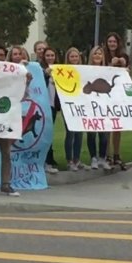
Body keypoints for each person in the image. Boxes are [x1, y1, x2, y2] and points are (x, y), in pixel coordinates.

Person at [0, 45, 29, 197]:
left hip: (7, 117)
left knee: (6, 153)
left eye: (2, 55)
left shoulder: (12, 72)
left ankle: (6, 184)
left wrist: (26, 81)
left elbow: (22, 95)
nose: (0, 58)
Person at [103, 32, 130, 171]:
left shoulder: (123, 56)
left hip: (118, 95)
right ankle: (107, 154)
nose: (112, 44)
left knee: (117, 127)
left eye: (114, 41)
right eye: (110, 41)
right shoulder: (103, 56)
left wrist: (120, 62)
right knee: (107, 126)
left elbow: (126, 68)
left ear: (118, 43)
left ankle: (116, 154)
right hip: (105, 95)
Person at [86, 46, 111, 171]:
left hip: (104, 107)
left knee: (104, 134)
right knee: (91, 134)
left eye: (100, 53)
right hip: (90, 107)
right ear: (91, 56)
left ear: (103, 56)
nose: (97, 56)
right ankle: (93, 158)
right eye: (95, 53)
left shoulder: (108, 70)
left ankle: (102, 158)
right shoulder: (85, 70)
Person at [63, 47, 86, 171]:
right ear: (68, 58)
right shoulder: (63, 71)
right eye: (72, 56)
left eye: (76, 56)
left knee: (79, 134)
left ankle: (77, 159)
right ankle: (69, 160)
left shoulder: (84, 71)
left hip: (81, 106)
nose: (74, 59)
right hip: (68, 106)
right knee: (70, 133)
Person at [41, 46, 60, 174]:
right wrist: (46, 75)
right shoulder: (40, 70)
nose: (50, 57)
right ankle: (42, 161)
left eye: (52, 55)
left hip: (52, 107)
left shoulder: (60, 70)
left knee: (48, 134)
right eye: (47, 55)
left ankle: (48, 161)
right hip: (42, 105)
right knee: (41, 134)